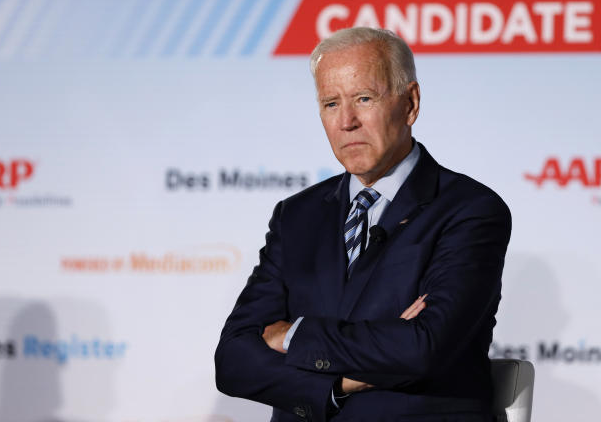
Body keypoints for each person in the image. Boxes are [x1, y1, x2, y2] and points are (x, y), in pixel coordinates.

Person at [215, 27, 512, 422]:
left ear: (410, 103)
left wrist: (293, 335)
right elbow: (234, 359)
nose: (347, 121)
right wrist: (337, 386)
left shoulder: (470, 210)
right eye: (330, 104)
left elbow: (424, 347)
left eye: (363, 99)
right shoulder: (297, 215)